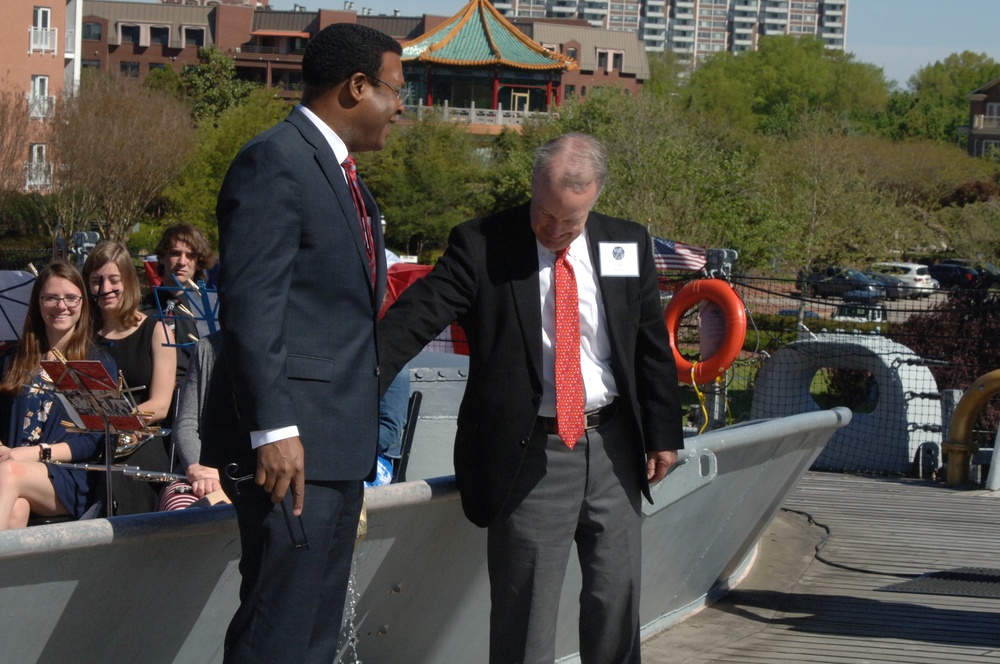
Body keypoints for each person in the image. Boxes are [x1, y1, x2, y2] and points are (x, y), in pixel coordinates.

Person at [378, 133, 685, 663]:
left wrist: (663, 434)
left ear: (595, 200)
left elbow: (651, 347)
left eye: (571, 220)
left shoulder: (626, 243)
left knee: (616, 603)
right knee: (527, 621)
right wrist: (353, 384)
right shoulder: (481, 244)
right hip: (529, 454)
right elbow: (412, 320)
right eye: (545, 215)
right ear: (533, 187)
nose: (555, 231)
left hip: (613, 447)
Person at [211, 23, 403, 663]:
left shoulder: (352, 185)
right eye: (396, 90)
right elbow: (250, 308)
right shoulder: (276, 160)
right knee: (278, 632)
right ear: (356, 87)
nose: (401, 108)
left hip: (338, 449)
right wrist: (273, 429)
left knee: (316, 635)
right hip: (289, 452)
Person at [0, 262, 113, 529]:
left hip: (69, 475)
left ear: (83, 303)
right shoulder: (12, 359)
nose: (61, 306)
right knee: (16, 507)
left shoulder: (94, 362)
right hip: (11, 465)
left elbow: (95, 441)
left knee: (9, 473)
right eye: (51, 297)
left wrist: (34, 454)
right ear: (38, 303)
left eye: (71, 298)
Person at [83, 241, 177, 515]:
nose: (105, 289)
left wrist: (118, 421)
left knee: (122, 474)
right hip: (91, 435)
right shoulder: (83, 334)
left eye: (114, 279)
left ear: (128, 281)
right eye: (96, 281)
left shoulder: (157, 330)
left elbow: (160, 405)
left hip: (142, 438)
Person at [158, 332, 224, 510]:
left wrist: (224, 475)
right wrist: (200, 469)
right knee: (180, 511)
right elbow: (187, 424)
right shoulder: (207, 347)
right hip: (202, 469)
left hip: (253, 475)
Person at [143, 223, 218, 380]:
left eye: (190, 256)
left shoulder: (211, 309)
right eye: (175, 253)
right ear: (162, 257)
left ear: (199, 262)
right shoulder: (141, 308)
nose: (182, 262)